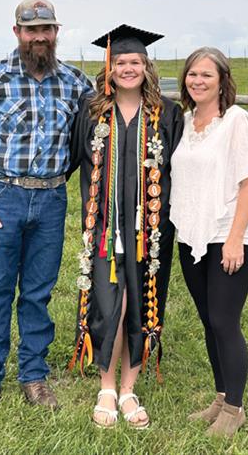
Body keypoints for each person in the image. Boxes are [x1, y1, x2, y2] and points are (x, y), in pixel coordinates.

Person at [0, 0, 92, 420]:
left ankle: (34, 375)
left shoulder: (75, 82)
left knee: (38, 291)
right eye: (32, 30)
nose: (40, 37)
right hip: (3, 198)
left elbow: (100, 127)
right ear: (17, 32)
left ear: (56, 33)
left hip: (51, 199)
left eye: (47, 29)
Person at [68, 25, 183, 429]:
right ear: (109, 67)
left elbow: (183, 172)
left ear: (146, 66)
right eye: (120, 62)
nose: (128, 68)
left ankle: (129, 387)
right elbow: (69, 161)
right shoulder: (91, 111)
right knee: (107, 304)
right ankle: (106, 387)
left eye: (135, 62)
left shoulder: (168, 114)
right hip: (102, 229)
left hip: (150, 234)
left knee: (140, 304)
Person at [170, 47, 248, 438]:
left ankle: (234, 409)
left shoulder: (236, 121)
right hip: (191, 234)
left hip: (228, 234)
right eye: (192, 74)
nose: (198, 81)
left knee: (225, 320)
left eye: (206, 75)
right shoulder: (186, 121)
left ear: (222, 80)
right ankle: (220, 395)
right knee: (208, 319)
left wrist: (235, 239)